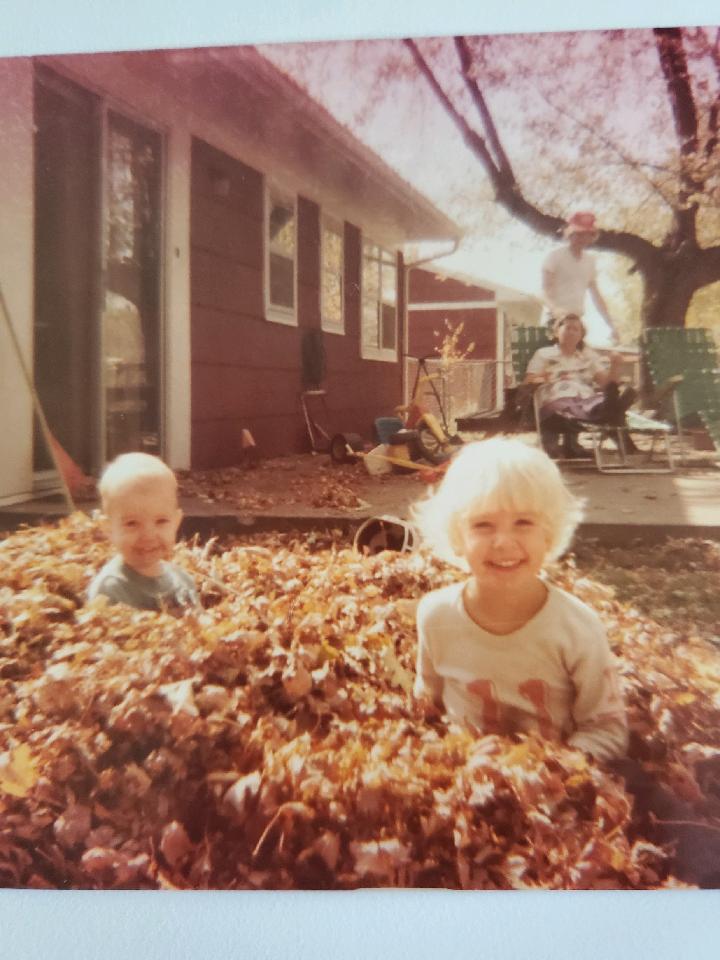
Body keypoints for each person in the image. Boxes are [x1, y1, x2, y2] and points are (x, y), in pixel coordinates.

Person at [412, 438, 628, 763]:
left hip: (560, 786)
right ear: (458, 537)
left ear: (549, 534)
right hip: (467, 783)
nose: (503, 542)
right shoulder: (436, 616)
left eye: (524, 523)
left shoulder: (577, 628)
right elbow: (426, 711)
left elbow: (608, 730)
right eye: (482, 525)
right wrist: (454, 755)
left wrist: (553, 767)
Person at [88, 452, 199, 612]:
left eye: (161, 521)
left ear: (176, 522)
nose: (148, 535)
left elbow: (202, 628)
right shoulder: (110, 590)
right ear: (108, 528)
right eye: (132, 524)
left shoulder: (183, 580)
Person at [525, 313, 638, 459]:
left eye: (576, 329)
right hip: (555, 400)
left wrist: (615, 365)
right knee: (609, 405)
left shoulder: (587, 357)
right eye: (567, 328)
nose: (571, 332)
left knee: (606, 396)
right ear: (556, 332)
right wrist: (545, 376)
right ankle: (613, 410)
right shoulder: (544, 354)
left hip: (583, 402)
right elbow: (528, 382)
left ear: (581, 335)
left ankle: (609, 408)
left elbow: (606, 384)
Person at [542, 210, 618, 343]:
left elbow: (596, 296)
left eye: (587, 235)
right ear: (569, 234)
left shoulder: (590, 261)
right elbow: (546, 290)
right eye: (578, 234)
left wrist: (611, 325)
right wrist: (556, 311)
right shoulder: (555, 256)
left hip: (576, 322)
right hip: (554, 321)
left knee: (584, 360)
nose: (582, 239)